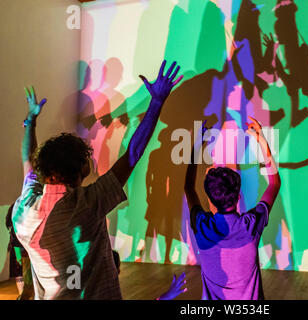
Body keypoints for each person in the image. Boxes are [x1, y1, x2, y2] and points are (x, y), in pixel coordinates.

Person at [12, 61, 187, 299]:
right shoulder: (87, 203)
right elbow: (133, 154)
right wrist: (156, 102)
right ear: (78, 172)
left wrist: (30, 122)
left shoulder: (25, 207)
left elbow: (28, 162)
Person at [184, 117, 281, 300]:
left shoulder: (202, 227)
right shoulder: (250, 226)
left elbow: (189, 187)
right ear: (238, 197)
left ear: (210, 199)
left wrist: (197, 146)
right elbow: (274, 184)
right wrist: (261, 140)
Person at [5, 204, 34, 300]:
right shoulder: (18, 211)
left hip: (25, 248)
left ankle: (24, 295)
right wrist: (18, 254)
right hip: (21, 248)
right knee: (21, 271)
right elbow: (14, 236)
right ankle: (23, 295)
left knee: (23, 272)